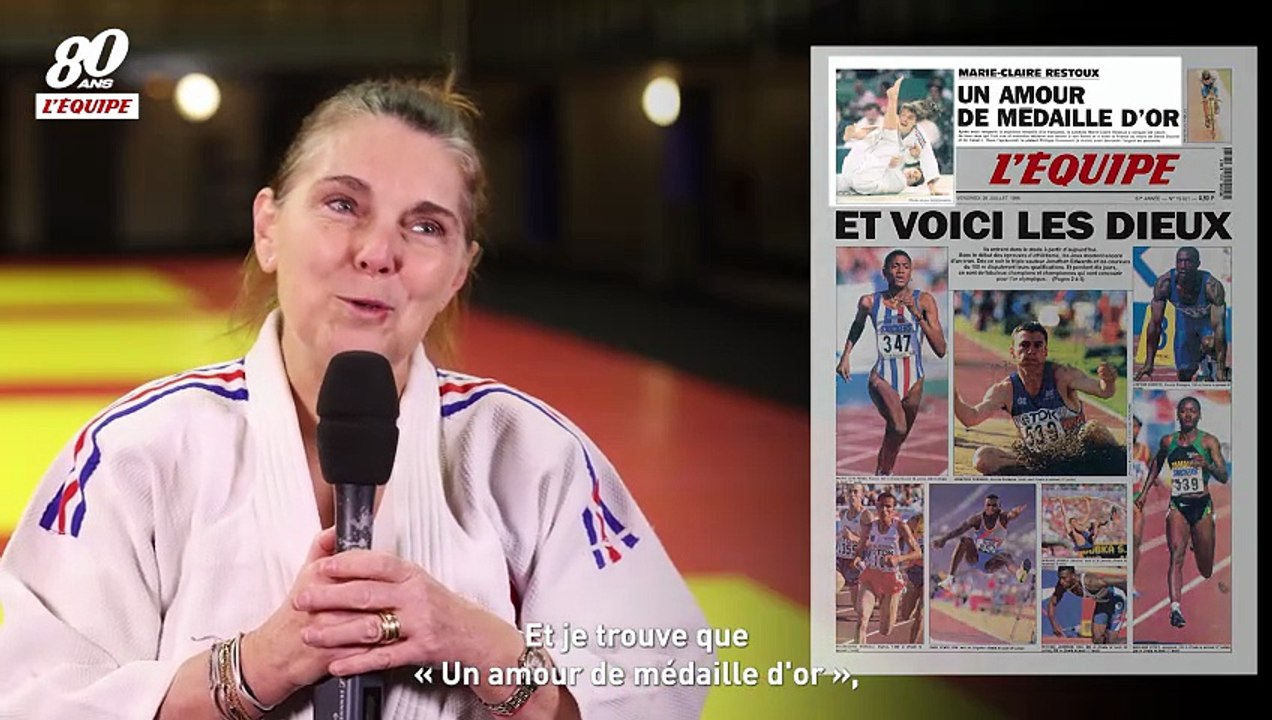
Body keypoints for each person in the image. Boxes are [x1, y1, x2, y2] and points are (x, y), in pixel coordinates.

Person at [0, 77, 711, 719]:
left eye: (426, 226)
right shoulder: (134, 454)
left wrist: (480, 645)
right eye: (343, 204)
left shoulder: (530, 454)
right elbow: (31, 696)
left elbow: (663, 683)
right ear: (268, 228)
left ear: (458, 272)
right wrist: (252, 669)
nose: (378, 252)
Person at [954, 321, 1124, 475]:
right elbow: (971, 418)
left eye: (1037, 345)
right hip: (1037, 458)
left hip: (1077, 455)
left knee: (1094, 429)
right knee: (983, 458)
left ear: (1045, 351)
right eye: (1024, 345)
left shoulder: (1063, 375)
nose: (1031, 351)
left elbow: (1103, 391)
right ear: (1013, 352)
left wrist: (1108, 381)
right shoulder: (1005, 390)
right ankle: (1041, 468)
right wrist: (953, 397)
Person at [836, 250, 947, 475]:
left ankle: (882, 473)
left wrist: (917, 314)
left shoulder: (924, 301)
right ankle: (883, 473)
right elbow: (857, 325)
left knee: (896, 437)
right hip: (882, 377)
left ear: (911, 272)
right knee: (898, 426)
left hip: (915, 381)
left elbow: (941, 349)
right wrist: (846, 355)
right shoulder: (869, 302)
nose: (900, 271)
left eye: (905, 266)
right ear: (885, 272)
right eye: (895, 266)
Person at [1135, 396, 1228, 629]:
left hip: (1202, 505)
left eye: (1192, 411)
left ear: (1199, 415)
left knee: (1205, 569)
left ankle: (1198, 541)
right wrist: (1144, 492)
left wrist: (1206, 464)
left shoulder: (1209, 442)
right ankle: (1175, 609)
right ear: (1178, 415)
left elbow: (1223, 476)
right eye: (1184, 411)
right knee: (1176, 556)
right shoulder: (1168, 441)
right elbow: (1156, 464)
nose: (1188, 415)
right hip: (1178, 505)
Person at [836, 77, 946, 196]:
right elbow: (871, 132)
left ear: (916, 122)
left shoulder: (918, 134)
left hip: (870, 180)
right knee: (880, 141)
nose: (904, 119)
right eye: (903, 115)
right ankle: (892, 99)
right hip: (855, 169)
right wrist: (854, 134)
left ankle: (892, 99)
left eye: (910, 118)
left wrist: (932, 187)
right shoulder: (890, 125)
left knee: (890, 143)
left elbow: (928, 157)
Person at [1136, 246, 1228, 382]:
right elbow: (1155, 325)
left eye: (1188, 261)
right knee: (1184, 374)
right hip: (1185, 323)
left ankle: (1210, 366)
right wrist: (1149, 363)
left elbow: (1219, 328)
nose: (1183, 266)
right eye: (1180, 261)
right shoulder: (1164, 284)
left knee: (1210, 343)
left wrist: (1221, 368)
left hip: (1206, 323)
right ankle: (1200, 360)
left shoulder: (1212, 287)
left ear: (1198, 264)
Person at [852, 492, 922, 645]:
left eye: (888, 506)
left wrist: (898, 559)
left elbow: (918, 552)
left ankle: (888, 603)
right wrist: (857, 558)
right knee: (862, 619)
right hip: (871, 577)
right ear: (876, 507)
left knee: (885, 630)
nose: (884, 509)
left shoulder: (900, 527)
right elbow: (860, 549)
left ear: (893, 509)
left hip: (891, 580)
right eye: (881, 506)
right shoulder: (869, 527)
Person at [932, 494, 1031, 589]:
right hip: (975, 556)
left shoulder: (1003, 517)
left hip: (990, 561)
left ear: (999, 506)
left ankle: (1019, 573)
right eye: (988, 505)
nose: (991, 508)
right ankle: (949, 578)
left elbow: (1011, 515)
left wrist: (1015, 513)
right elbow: (960, 530)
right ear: (985, 506)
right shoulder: (977, 519)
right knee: (964, 540)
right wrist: (943, 539)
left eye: (994, 505)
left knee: (1006, 556)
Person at [1046, 567, 1127, 644]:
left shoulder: (1090, 582)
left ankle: (1129, 644)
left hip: (1116, 601)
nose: (1061, 581)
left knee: (1111, 641)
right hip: (1102, 602)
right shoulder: (1062, 585)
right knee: (1097, 640)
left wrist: (1129, 597)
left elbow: (1122, 581)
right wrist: (1054, 625)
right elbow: (1052, 603)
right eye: (1060, 578)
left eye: (1064, 578)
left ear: (1073, 576)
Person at [836, 483, 872, 616]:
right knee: (834, 582)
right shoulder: (842, 514)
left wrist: (853, 537)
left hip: (855, 561)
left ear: (862, 495)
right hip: (840, 557)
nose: (852, 495)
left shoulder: (866, 515)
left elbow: (871, 542)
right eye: (850, 491)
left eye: (856, 492)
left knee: (858, 608)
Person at [1131, 415, 1151, 595]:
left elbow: (1151, 472)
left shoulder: (1144, 450)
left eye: (1136, 427)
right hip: (1120, 500)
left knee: (1136, 542)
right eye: (1131, 426)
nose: (1133, 430)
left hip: (1137, 502)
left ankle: (1131, 582)